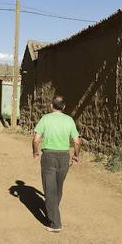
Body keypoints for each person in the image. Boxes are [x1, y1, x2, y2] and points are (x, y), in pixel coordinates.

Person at [32, 96, 81, 232]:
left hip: (49, 156)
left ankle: (55, 223)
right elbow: (77, 141)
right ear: (64, 107)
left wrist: (35, 152)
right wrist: (76, 155)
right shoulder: (69, 120)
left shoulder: (45, 119)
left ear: (51, 106)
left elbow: (36, 139)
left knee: (49, 189)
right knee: (58, 188)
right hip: (64, 157)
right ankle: (53, 210)